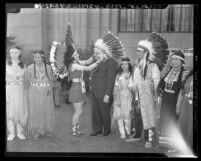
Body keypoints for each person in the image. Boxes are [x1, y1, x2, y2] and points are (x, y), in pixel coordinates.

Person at [128, 32, 170, 148]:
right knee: (137, 116)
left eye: (139, 51)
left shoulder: (153, 66)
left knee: (149, 118)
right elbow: (133, 79)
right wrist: (132, 86)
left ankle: (149, 139)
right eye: (137, 51)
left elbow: (156, 81)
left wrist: (145, 86)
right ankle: (137, 135)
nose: (137, 53)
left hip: (149, 96)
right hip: (137, 95)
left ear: (145, 53)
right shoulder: (136, 65)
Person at [63, 41, 102, 137]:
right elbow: (88, 68)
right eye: (76, 53)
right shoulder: (74, 65)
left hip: (79, 87)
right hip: (76, 89)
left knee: (79, 111)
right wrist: (98, 61)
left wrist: (95, 54)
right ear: (72, 56)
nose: (78, 54)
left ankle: (76, 129)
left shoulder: (77, 62)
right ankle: (74, 130)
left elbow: (88, 61)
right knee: (78, 111)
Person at [90, 31, 125, 137]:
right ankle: (97, 129)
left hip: (104, 93)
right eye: (95, 52)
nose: (96, 54)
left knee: (104, 112)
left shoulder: (111, 63)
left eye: (98, 52)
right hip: (95, 92)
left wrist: (107, 94)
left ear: (104, 52)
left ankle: (107, 130)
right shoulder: (98, 62)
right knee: (95, 112)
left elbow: (110, 80)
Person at [157, 50, 189, 152]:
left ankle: (173, 145)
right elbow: (161, 84)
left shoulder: (184, 73)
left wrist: (178, 105)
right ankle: (164, 144)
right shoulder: (168, 70)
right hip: (166, 98)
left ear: (182, 62)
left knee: (173, 121)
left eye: (176, 60)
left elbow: (183, 90)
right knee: (164, 119)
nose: (173, 61)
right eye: (173, 59)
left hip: (175, 99)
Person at [24, 50, 54, 141]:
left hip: (45, 91)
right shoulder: (29, 68)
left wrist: (50, 89)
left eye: (38, 57)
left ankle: (45, 129)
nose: (36, 59)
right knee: (35, 110)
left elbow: (51, 80)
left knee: (46, 109)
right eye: (35, 57)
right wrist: (26, 94)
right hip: (33, 92)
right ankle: (36, 131)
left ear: (43, 58)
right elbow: (26, 81)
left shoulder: (48, 67)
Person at [6, 46, 28, 141]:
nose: (14, 54)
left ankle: (19, 131)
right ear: (9, 54)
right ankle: (11, 132)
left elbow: (26, 79)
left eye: (15, 52)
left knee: (20, 111)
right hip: (10, 89)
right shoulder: (6, 64)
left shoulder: (23, 65)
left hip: (20, 90)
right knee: (10, 111)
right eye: (12, 52)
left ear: (19, 53)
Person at [112, 57, 133, 139]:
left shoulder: (131, 75)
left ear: (129, 65)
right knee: (119, 116)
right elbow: (116, 88)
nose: (124, 66)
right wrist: (118, 100)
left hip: (128, 98)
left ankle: (128, 131)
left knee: (127, 116)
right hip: (119, 97)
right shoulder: (118, 75)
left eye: (126, 64)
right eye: (122, 64)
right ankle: (122, 131)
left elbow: (132, 86)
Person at [177, 69, 193, 151]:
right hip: (185, 104)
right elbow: (182, 92)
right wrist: (178, 106)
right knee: (183, 125)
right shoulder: (189, 75)